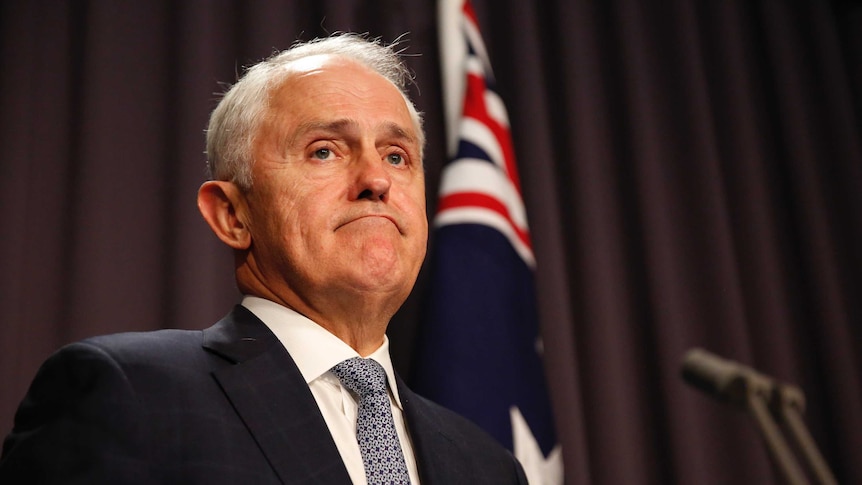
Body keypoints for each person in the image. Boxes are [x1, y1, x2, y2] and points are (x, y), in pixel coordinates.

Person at [0, 34, 527, 484]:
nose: (377, 180)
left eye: (397, 155)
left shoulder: (487, 465)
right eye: (325, 150)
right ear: (232, 214)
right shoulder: (127, 394)